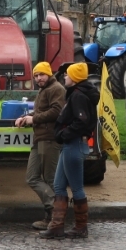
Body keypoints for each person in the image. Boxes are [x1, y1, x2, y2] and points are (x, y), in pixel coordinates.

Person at [39, 63, 100, 240]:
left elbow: (82, 121)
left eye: (67, 75)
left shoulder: (78, 96)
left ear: (75, 78)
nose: (64, 77)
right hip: (70, 144)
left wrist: (64, 133)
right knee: (59, 186)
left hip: (73, 144)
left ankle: (81, 227)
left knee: (77, 187)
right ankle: (57, 226)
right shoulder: (77, 94)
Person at [15, 62, 64, 230]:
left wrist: (33, 119)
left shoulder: (56, 89)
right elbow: (41, 111)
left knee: (50, 179)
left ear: (49, 74)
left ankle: (55, 215)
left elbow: (57, 112)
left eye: (41, 74)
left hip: (49, 139)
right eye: (36, 76)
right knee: (32, 177)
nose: (38, 78)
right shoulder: (44, 90)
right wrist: (26, 116)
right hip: (40, 139)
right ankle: (54, 210)